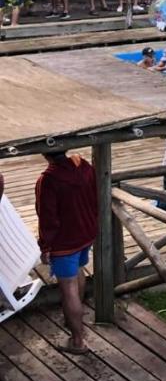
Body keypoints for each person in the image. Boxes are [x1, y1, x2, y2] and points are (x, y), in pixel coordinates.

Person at [36, 150, 99, 353]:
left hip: (64, 242)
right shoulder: (84, 166)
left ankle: (78, 341)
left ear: (45, 154)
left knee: (68, 288)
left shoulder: (48, 180)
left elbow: (48, 218)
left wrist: (45, 246)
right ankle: (74, 317)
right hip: (86, 233)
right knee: (79, 270)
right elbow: (95, 195)